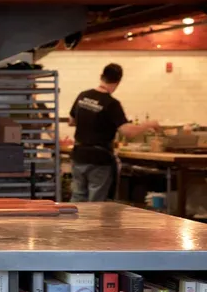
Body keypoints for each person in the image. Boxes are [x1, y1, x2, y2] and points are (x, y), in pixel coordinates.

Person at [68, 63, 161, 202]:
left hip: (79, 155)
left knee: (78, 196)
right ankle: (91, 225)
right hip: (99, 159)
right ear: (118, 81)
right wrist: (148, 124)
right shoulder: (111, 103)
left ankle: (73, 224)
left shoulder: (83, 96)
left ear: (101, 76)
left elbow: (71, 121)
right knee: (96, 202)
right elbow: (127, 132)